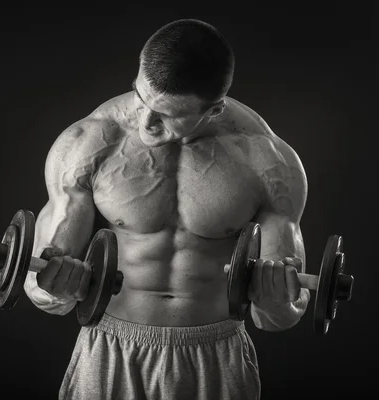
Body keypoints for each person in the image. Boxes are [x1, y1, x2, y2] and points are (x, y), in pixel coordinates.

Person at [23, 18, 310, 400]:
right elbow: (38, 286)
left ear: (215, 109)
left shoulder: (268, 162)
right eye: (140, 98)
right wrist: (55, 288)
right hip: (110, 349)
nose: (145, 123)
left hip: (215, 355)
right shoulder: (88, 143)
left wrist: (277, 298)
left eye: (167, 115)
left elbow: (280, 315)